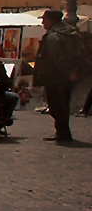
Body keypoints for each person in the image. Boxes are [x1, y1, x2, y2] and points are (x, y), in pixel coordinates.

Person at [34, 9, 85, 142]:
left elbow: (57, 58)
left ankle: (63, 133)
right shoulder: (72, 34)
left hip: (54, 75)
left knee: (56, 105)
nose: (43, 22)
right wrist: (74, 71)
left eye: (44, 19)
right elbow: (80, 54)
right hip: (69, 74)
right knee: (63, 104)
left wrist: (67, 73)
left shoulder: (53, 36)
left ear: (51, 20)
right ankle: (62, 132)